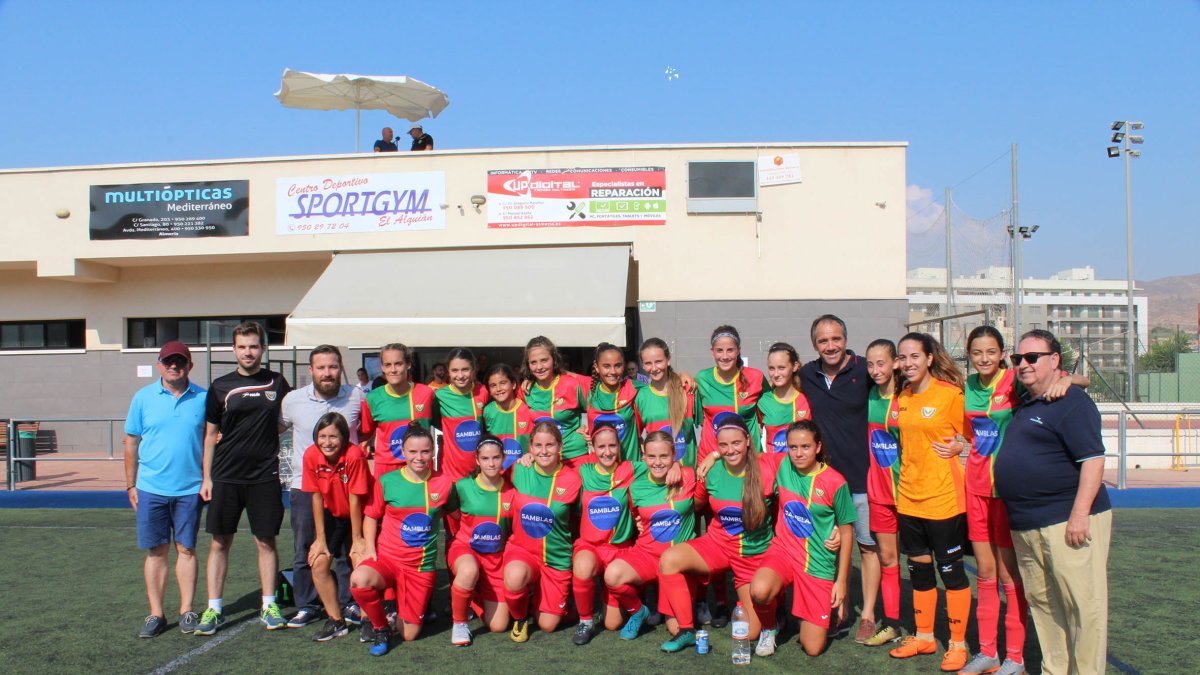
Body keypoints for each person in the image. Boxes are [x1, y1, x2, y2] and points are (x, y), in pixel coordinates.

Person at [994, 330, 1112, 675]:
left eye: (1033, 358)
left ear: (1054, 360)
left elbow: (1093, 460)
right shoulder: (1029, 398)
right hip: (1027, 524)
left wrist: (1079, 515)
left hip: (1066, 521)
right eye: (1019, 359)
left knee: (1082, 607)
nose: (1024, 364)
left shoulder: (1071, 402)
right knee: (1044, 606)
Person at [197, 322, 292, 635]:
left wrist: (263, 435)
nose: (248, 352)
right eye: (242, 346)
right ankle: (214, 608)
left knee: (265, 540)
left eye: (254, 346)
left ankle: (269, 604)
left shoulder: (277, 382)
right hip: (226, 476)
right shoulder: (220, 386)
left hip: (264, 476)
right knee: (220, 542)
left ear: (262, 349)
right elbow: (211, 433)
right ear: (234, 350)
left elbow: (286, 420)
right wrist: (206, 478)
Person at [887, 332, 973, 671]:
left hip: (944, 498)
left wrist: (961, 443)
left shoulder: (951, 395)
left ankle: (957, 643)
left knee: (951, 573)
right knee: (920, 569)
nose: (908, 363)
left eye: (914, 357)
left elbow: (975, 430)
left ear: (929, 359)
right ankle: (924, 637)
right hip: (908, 498)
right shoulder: (902, 397)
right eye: (903, 357)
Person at [657, 416, 777, 655]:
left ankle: (773, 606)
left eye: (736, 443)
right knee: (669, 560)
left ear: (748, 441)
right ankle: (687, 630)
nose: (730, 449)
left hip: (752, 556)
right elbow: (696, 504)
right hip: (718, 546)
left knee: (751, 632)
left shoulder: (769, 465)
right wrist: (677, 465)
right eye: (723, 445)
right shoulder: (711, 471)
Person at [798, 314, 880, 641]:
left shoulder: (865, 370)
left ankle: (869, 615)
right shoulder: (806, 374)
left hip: (862, 481)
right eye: (823, 341)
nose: (830, 346)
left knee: (866, 548)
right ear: (814, 344)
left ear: (845, 339)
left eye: (836, 339)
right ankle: (834, 609)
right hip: (823, 484)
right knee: (826, 549)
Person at [749, 420, 856, 657]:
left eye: (805, 446)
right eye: (793, 447)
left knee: (813, 648)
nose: (798, 453)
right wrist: (712, 456)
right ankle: (770, 626)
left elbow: (847, 531)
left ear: (818, 447)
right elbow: (742, 455)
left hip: (817, 563)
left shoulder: (835, 482)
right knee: (759, 590)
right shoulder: (782, 464)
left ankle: (805, 614)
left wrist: (841, 582)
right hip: (784, 551)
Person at [124, 340, 207, 638]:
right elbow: (131, 442)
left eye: (180, 361)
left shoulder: (204, 398)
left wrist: (207, 479)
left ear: (189, 365)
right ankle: (156, 614)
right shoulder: (143, 398)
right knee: (156, 551)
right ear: (160, 364)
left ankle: (186, 611)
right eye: (169, 361)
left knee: (186, 549)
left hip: (190, 489)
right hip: (151, 488)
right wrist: (131, 484)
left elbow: (212, 441)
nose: (174, 366)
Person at [279, 345, 365, 630]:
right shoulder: (292, 400)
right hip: (306, 487)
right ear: (310, 370)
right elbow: (273, 429)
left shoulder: (356, 396)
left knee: (345, 549)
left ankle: (348, 600)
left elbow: (366, 433)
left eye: (332, 367)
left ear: (340, 368)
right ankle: (308, 604)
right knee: (308, 547)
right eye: (321, 367)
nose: (327, 373)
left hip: (344, 487)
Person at [350, 427, 455, 656]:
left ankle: (400, 609)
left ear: (433, 451)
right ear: (403, 452)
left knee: (408, 635)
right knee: (359, 579)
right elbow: (371, 516)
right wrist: (369, 549)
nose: (419, 457)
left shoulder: (444, 483)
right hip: (388, 559)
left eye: (425, 451)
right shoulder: (387, 481)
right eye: (413, 451)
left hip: (420, 568)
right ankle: (380, 628)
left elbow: (456, 517)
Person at [604, 431, 698, 641]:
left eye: (664, 456)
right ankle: (639, 611)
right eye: (652, 457)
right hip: (648, 555)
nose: (657, 462)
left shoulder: (688, 476)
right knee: (613, 574)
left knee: (676, 629)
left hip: (677, 563)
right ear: (643, 456)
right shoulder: (636, 487)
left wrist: (679, 466)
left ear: (674, 455)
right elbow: (637, 518)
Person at [503, 421, 582, 642]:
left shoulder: (574, 480)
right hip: (523, 551)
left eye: (550, 445)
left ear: (560, 447)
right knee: (515, 576)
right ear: (530, 448)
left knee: (547, 625)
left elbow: (581, 518)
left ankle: (553, 597)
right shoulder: (519, 469)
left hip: (556, 558)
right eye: (538, 445)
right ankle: (520, 616)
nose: (544, 451)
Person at [301, 412, 370, 642]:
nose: (327, 442)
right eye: (322, 436)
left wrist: (358, 538)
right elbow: (316, 497)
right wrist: (320, 539)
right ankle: (336, 621)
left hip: (360, 513)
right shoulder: (311, 455)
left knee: (360, 564)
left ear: (344, 437)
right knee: (319, 563)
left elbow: (355, 498)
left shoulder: (354, 455)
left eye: (333, 436)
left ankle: (369, 620)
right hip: (333, 515)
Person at [569, 422, 636, 645]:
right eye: (601, 447)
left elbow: (660, 464)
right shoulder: (583, 470)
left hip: (619, 549)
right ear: (593, 448)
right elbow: (550, 464)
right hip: (591, 546)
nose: (607, 452)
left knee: (612, 624)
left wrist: (675, 466)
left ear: (619, 446)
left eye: (612, 446)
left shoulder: (631, 469)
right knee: (583, 566)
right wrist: (528, 458)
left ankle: (609, 599)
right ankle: (585, 620)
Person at [446, 435, 516, 647]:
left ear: (504, 457)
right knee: (468, 570)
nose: (491, 463)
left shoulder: (512, 488)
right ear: (477, 460)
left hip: (496, 559)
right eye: (485, 458)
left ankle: (473, 597)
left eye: (496, 457)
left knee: (498, 626)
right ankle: (459, 623)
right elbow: (453, 514)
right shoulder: (462, 486)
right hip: (466, 549)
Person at [861, 338, 905, 646]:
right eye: (870, 364)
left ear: (896, 363)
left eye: (882, 363)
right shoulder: (868, 396)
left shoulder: (910, 397)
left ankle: (926, 628)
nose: (876, 370)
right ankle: (892, 624)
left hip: (911, 492)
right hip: (878, 492)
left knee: (919, 560)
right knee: (888, 559)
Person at [359, 342, 434, 476]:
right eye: (388, 365)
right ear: (382, 367)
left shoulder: (426, 393)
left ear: (408, 364)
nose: (393, 370)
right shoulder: (372, 398)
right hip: (387, 470)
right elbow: (365, 434)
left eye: (398, 364)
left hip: (420, 467)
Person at [517, 336, 591, 469]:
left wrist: (590, 429)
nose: (539, 367)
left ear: (554, 359)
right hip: (542, 462)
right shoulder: (525, 390)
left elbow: (598, 410)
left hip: (575, 459)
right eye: (533, 362)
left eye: (544, 360)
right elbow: (521, 427)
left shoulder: (571, 385)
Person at [633, 338, 699, 468]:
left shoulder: (687, 390)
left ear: (668, 360)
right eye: (648, 363)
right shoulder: (641, 397)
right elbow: (636, 435)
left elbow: (708, 428)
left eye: (658, 361)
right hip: (658, 474)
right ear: (642, 365)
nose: (654, 368)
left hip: (688, 474)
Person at [432, 349, 490, 482]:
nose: (460, 375)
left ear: (474, 369)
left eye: (465, 369)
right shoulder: (439, 396)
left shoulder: (483, 392)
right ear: (448, 371)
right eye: (455, 370)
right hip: (451, 475)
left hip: (481, 474)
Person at [585, 343, 644, 462]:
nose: (612, 371)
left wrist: (683, 377)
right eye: (606, 366)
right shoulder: (589, 390)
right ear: (596, 367)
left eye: (617, 365)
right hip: (600, 470)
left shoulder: (633, 388)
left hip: (630, 467)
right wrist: (579, 431)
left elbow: (661, 388)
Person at [757, 342, 814, 454]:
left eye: (781, 368)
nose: (776, 374)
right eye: (772, 368)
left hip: (800, 469)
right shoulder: (762, 401)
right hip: (773, 469)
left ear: (795, 366)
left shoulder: (807, 399)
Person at [481, 363, 534, 470]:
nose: (499, 388)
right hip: (497, 473)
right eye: (493, 385)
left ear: (513, 384)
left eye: (503, 383)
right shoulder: (487, 411)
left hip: (524, 470)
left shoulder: (528, 408)